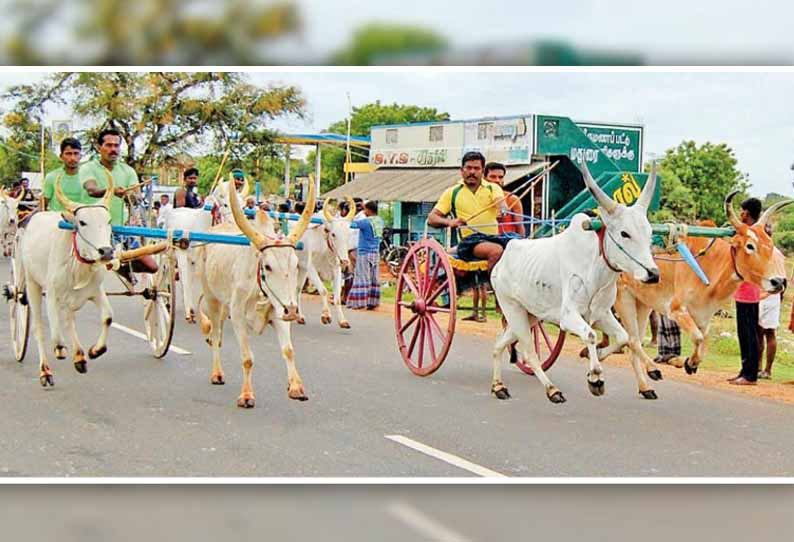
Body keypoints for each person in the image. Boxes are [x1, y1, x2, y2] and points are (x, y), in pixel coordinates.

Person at [81, 127, 158, 275]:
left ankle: (123, 268)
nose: (113, 149)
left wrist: (130, 196)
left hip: (119, 231)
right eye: (108, 145)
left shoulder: (127, 171)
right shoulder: (88, 168)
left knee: (152, 267)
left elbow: (137, 199)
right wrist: (113, 191)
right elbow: (92, 190)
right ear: (99, 148)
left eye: (116, 146)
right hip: (91, 230)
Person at [427, 151, 510, 273]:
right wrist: (451, 222)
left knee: (519, 246)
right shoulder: (452, 192)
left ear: (482, 171)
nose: (472, 172)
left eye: (476, 168)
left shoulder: (493, 188)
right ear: (462, 170)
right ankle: (494, 287)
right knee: (496, 251)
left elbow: (500, 202)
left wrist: (503, 208)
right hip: (470, 242)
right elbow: (432, 218)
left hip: (494, 238)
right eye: (469, 168)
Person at [728, 197, 763, 386]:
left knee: (749, 333)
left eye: (742, 211)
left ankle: (751, 375)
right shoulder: (747, 232)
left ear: (746, 213)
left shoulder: (754, 234)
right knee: (744, 332)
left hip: (749, 291)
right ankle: (744, 370)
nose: (740, 214)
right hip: (742, 291)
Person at [758, 225, 786, 379]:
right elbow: (784, 281)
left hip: (763, 294)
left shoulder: (763, 252)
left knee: (761, 333)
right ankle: (766, 370)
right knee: (769, 333)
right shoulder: (778, 254)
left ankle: (760, 368)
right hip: (773, 296)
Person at [347, 200, 384, 310]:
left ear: (368, 210)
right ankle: (373, 301)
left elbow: (351, 225)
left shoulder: (365, 222)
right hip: (375, 252)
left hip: (364, 252)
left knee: (361, 276)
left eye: (364, 209)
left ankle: (359, 302)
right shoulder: (379, 221)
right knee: (374, 277)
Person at [41, 137, 84, 212]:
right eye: (68, 154)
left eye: (76, 153)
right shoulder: (51, 177)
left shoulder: (89, 178)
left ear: (80, 156)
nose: (72, 158)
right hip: (56, 221)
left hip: (82, 221)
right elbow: (43, 205)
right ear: (61, 156)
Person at [343, 198, 366, 304]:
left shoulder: (361, 219)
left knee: (355, 273)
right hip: (350, 248)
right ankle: (347, 296)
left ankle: (352, 297)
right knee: (349, 273)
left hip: (355, 248)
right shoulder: (354, 218)